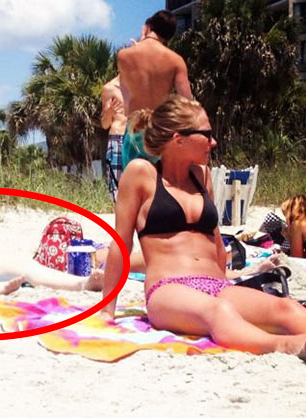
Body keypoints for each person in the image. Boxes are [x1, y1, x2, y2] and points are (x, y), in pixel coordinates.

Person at [101, 95, 306, 358]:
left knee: (286, 308)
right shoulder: (141, 174)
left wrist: (232, 276)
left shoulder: (203, 176)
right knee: (219, 312)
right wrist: (107, 310)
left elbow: (215, 239)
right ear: (179, 139)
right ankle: (287, 346)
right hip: (168, 289)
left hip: (216, 286)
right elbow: (121, 243)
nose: (213, 142)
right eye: (206, 135)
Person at [117, 9, 192, 169]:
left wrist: (142, 40)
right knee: (161, 181)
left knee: (133, 179)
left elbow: (125, 96)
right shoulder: (176, 61)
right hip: (161, 128)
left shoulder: (124, 56)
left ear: (148, 26)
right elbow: (187, 101)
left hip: (135, 127)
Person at [101, 75, 127, 202]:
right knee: (118, 190)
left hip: (138, 139)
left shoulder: (141, 85)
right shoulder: (109, 88)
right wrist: (110, 112)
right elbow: (104, 124)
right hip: (119, 138)